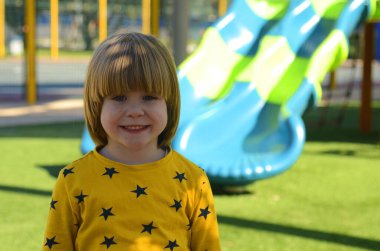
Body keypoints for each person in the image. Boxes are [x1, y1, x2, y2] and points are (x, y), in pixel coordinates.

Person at [42, 32, 221, 251]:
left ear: (169, 103)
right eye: (119, 98)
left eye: (149, 97)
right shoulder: (72, 181)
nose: (135, 111)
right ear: (97, 105)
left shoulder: (194, 180)